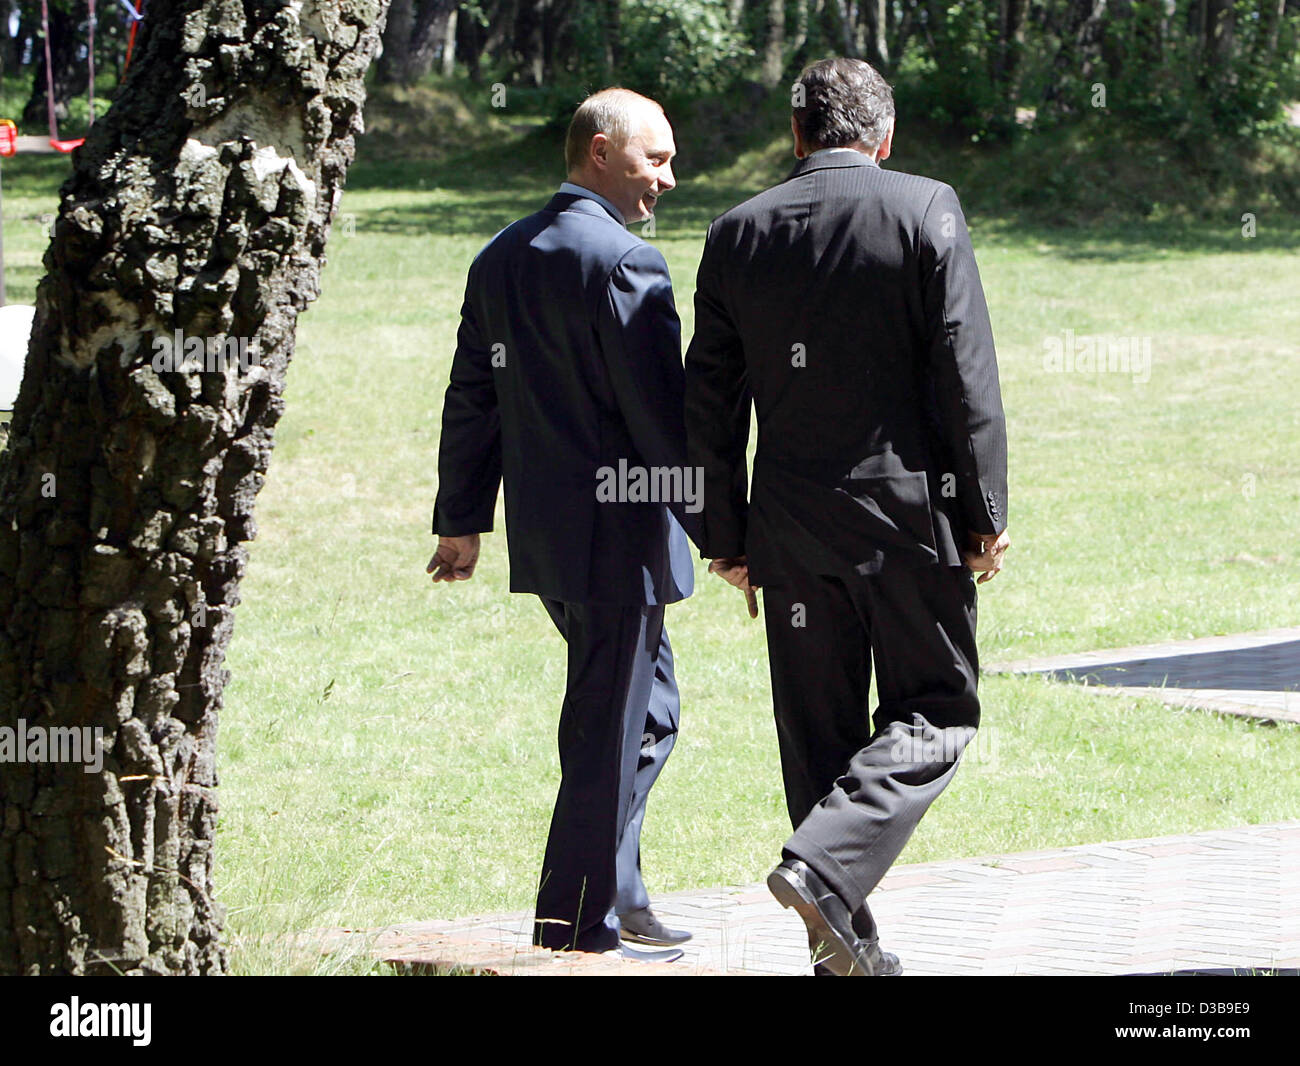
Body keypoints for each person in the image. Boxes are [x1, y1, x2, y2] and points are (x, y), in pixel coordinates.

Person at [685, 57, 1010, 976]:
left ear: (795, 137)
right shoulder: (926, 207)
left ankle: (845, 951)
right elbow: (964, 372)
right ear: (885, 137)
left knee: (818, 735)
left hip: (788, 528)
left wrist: (726, 538)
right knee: (937, 708)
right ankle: (823, 872)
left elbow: (705, 401)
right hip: (912, 519)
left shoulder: (735, 230)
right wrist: (984, 513)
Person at [428, 88, 699, 961]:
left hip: (550, 541)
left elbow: (473, 398)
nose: (667, 175)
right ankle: (574, 924)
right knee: (610, 728)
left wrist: (462, 521)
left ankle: (619, 890)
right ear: (599, 153)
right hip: (618, 544)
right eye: (653, 158)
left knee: (646, 712)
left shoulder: (499, 256)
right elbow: (661, 420)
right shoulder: (628, 265)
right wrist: (723, 532)